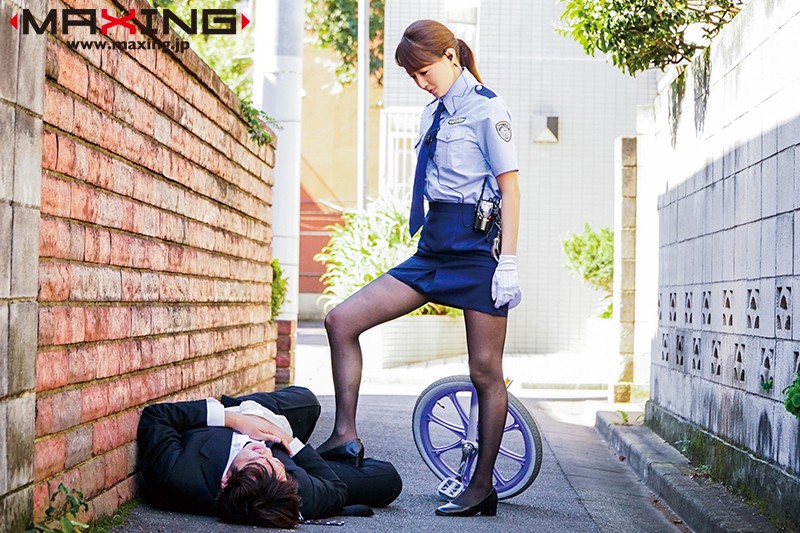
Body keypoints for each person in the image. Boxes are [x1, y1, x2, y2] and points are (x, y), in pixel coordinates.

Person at [315, 19, 521, 517]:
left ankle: (481, 487)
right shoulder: (434, 112)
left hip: (476, 253)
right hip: (433, 250)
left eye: (425, 71)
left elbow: (511, 190)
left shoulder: (488, 110)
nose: (421, 82)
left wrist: (508, 263)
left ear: (451, 56)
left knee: (485, 371)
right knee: (341, 320)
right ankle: (345, 435)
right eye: (413, 76)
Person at [136, 386, 402, 528]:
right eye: (271, 463)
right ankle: (321, 454)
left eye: (256, 460)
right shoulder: (297, 491)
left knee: (307, 399)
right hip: (283, 440)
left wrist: (235, 419)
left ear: (226, 481)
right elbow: (336, 489)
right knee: (386, 480)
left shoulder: (176, 474)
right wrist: (289, 443)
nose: (263, 451)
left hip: (243, 413)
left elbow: (156, 416)